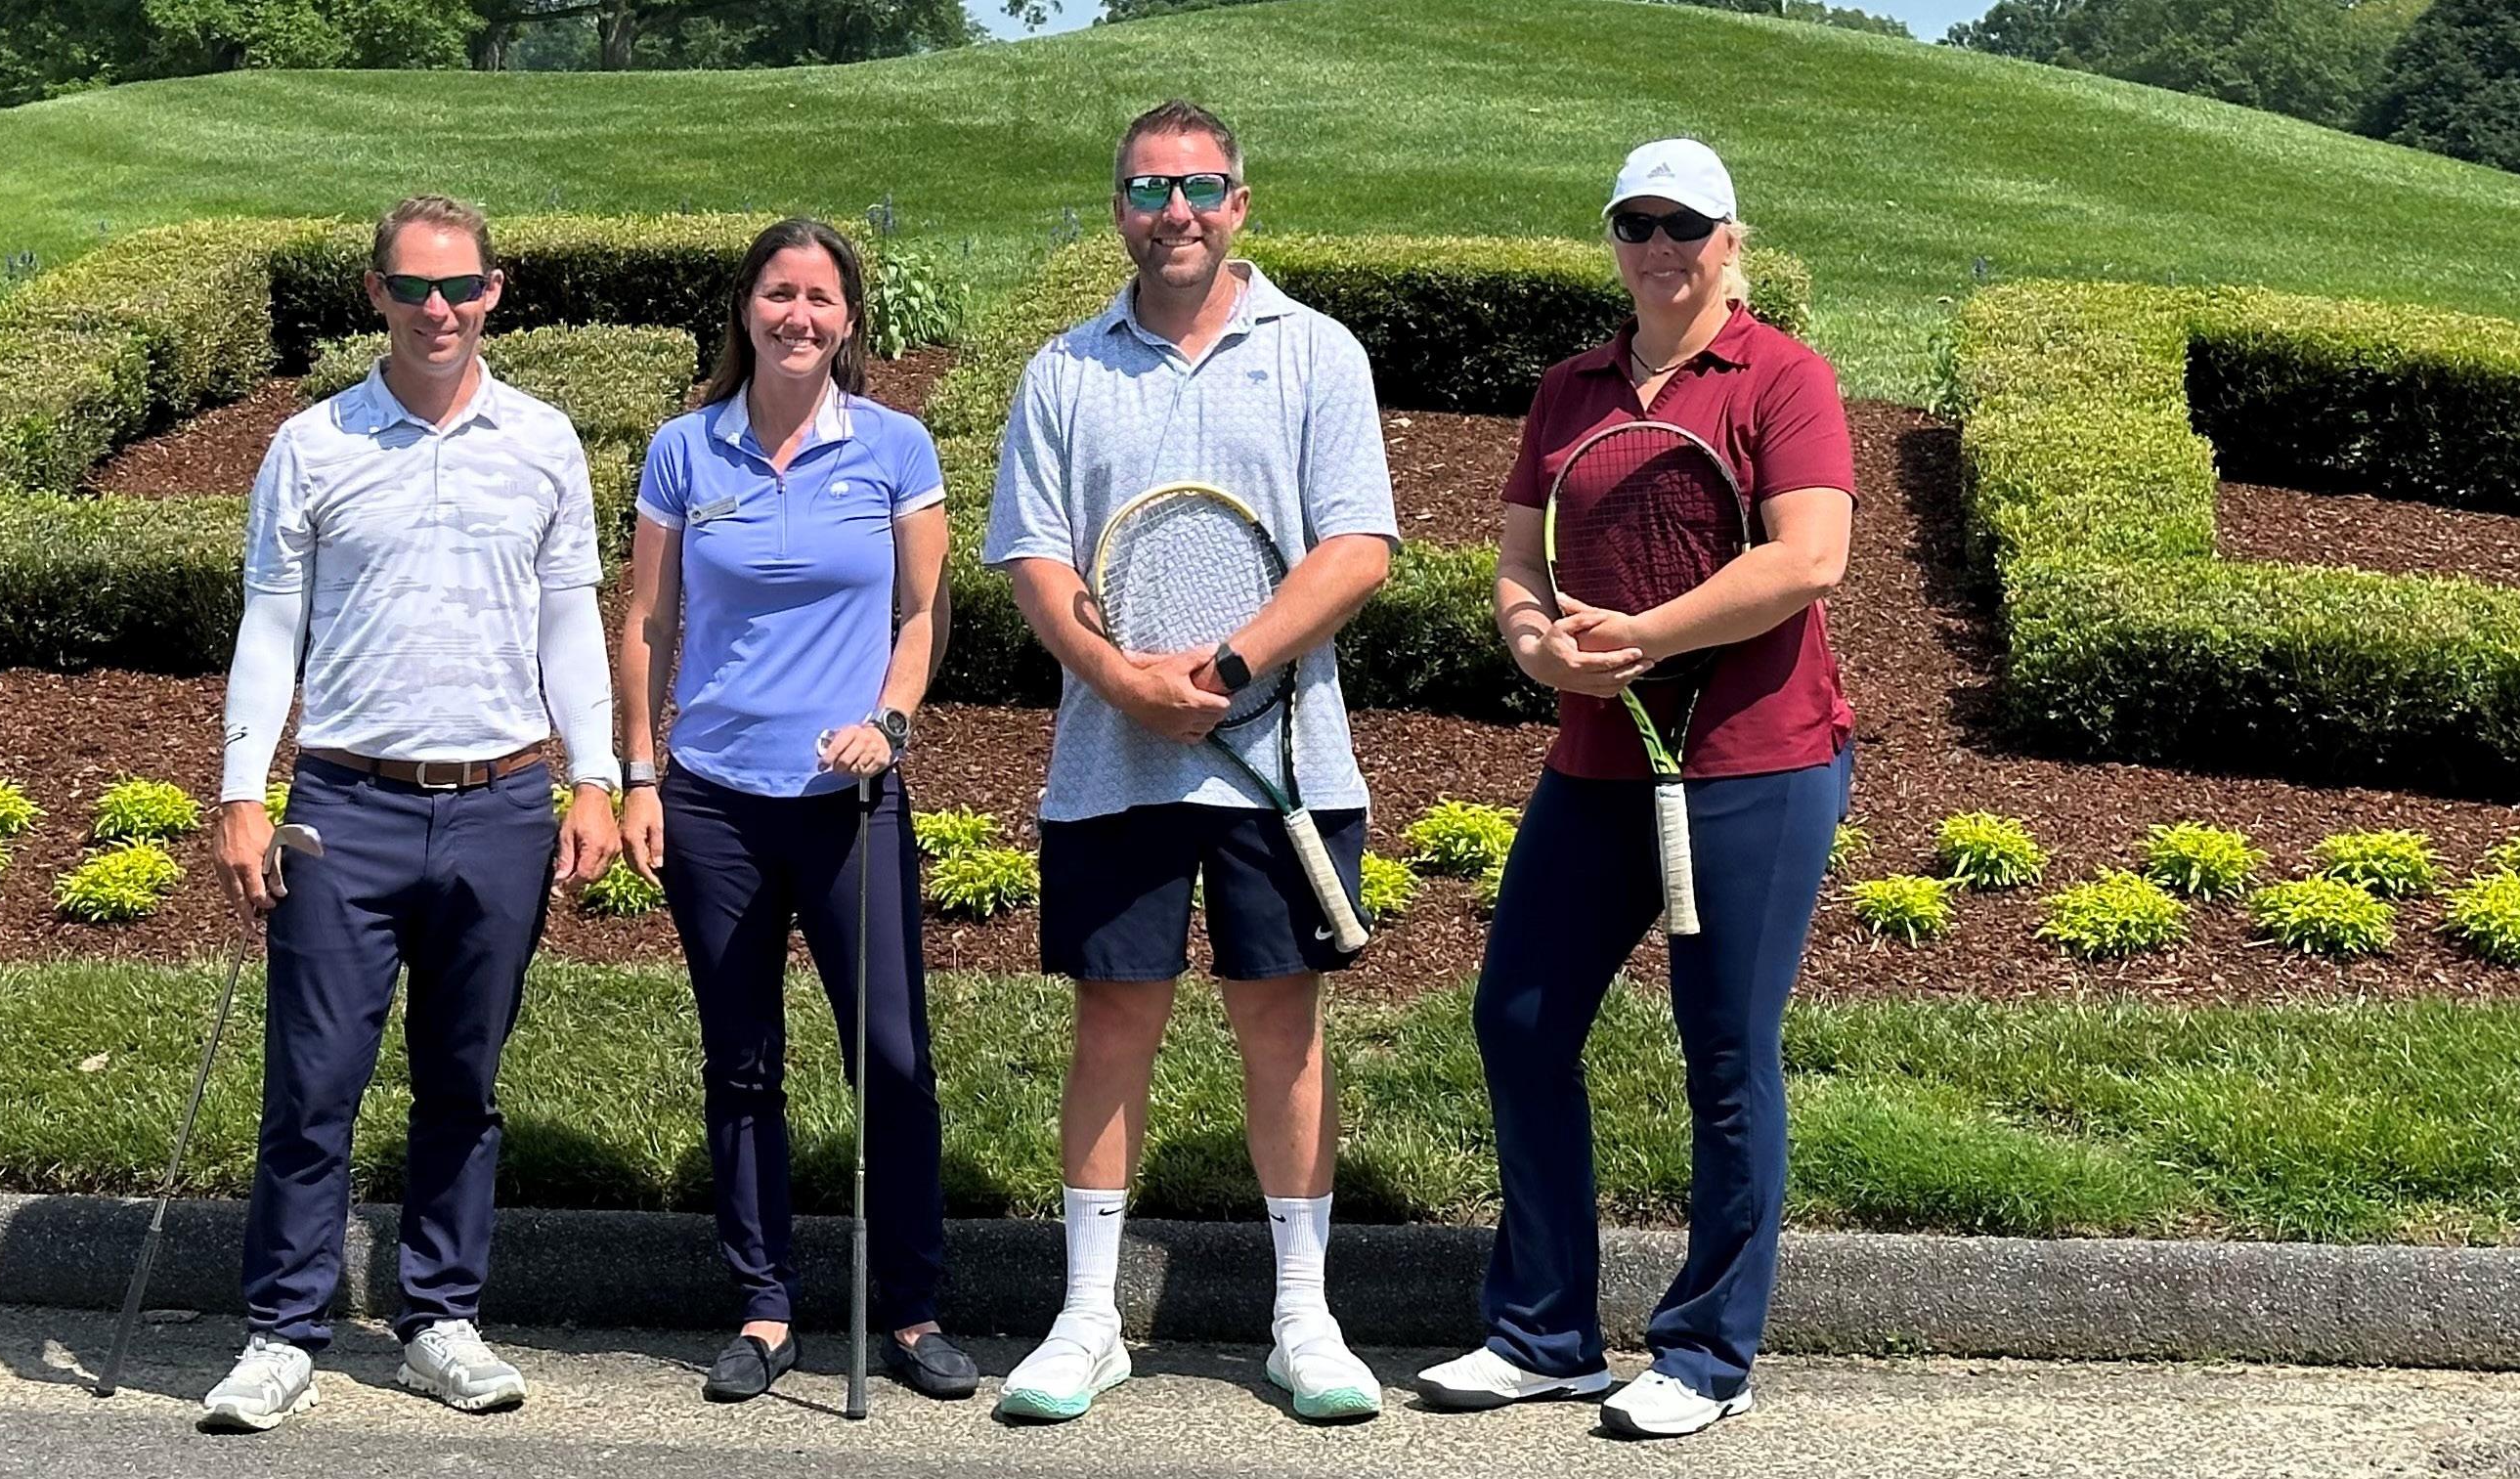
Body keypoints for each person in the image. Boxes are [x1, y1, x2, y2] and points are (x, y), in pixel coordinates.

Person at [1406, 138, 1855, 1440]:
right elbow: (1517, 562)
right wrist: (1534, 643)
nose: (1659, 248)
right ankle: (1543, 1333)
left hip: (1755, 762)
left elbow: (1808, 558)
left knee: (1723, 1052)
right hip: (1599, 761)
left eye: (1684, 225)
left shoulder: (1782, 377)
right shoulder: (1570, 388)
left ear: (1730, 240)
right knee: (1519, 1022)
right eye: (1635, 224)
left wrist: (1645, 638)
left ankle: (1707, 1353)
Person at [980, 100, 1403, 1425]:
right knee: (1112, 1021)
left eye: (1200, 187)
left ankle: (1302, 1319)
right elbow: (1034, 556)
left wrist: (1221, 668)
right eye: (1150, 189)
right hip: (1111, 764)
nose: (1176, 211)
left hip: (1282, 762)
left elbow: (1357, 547)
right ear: (1118, 206)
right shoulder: (1062, 371)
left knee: (1282, 1024)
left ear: (1239, 204)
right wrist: (1119, 679)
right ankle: (1087, 1321)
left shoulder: (1316, 353)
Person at [199, 193, 626, 1433]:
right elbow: (269, 625)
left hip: (500, 803)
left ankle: (440, 1318)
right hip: (345, 805)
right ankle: (282, 1330)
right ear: (375, 295)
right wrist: (240, 790)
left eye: (459, 287)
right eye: (411, 288)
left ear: (493, 293)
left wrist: (593, 776)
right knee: (312, 1082)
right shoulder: (311, 444)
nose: (437, 310)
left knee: (461, 1081)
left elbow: (569, 623)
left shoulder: (542, 441)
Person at [611, 218, 969, 1405]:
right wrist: (639, 772)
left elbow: (922, 614)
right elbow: (646, 623)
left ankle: (910, 1310)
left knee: (891, 1059)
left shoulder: (895, 447)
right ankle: (763, 1310)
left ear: (848, 317)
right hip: (714, 801)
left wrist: (890, 723)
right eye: (777, 293)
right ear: (745, 308)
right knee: (741, 1061)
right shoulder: (683, 449)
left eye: (819, 297)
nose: (797, 316)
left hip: (848, 800)